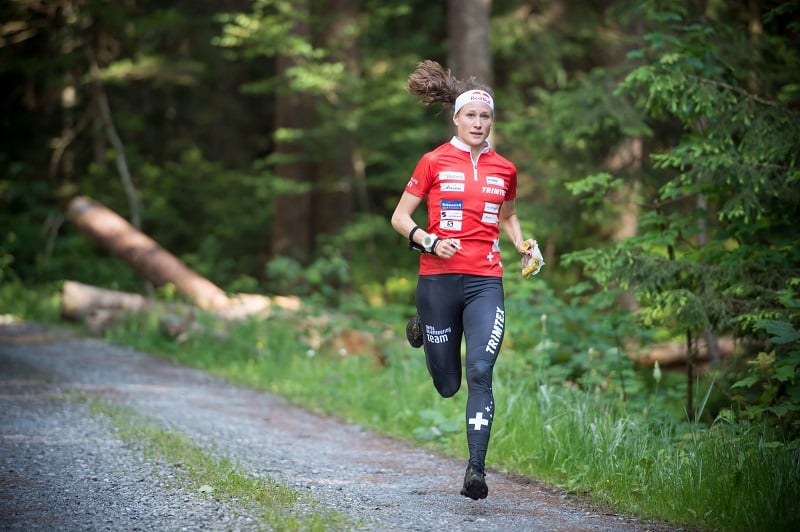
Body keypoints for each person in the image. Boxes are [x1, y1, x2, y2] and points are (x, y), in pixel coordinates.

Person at [391, 60, 537, 500]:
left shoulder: (505, 169)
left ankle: (476, 469)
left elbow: (508, 217)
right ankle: (422, 325)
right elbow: (399, 217)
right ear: (456, 118)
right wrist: (429, 241)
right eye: (470, 115)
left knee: (479, 372)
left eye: (485, 116)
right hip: (437, 279)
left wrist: (522, 243)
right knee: (447, 384)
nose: (478, 122)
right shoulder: (434, 160)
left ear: (492, 121)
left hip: (484, 281)